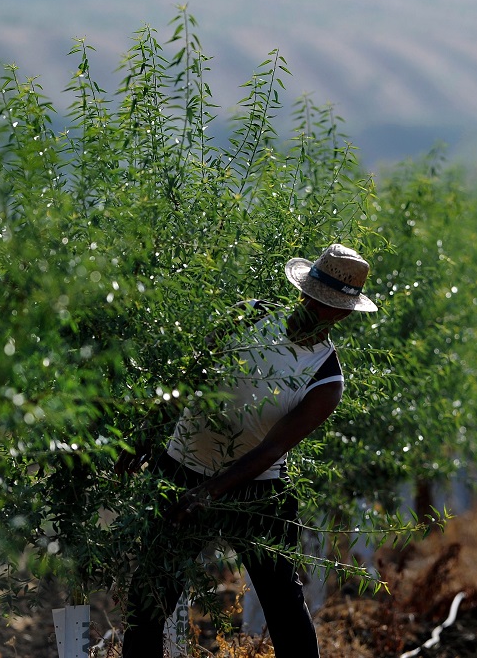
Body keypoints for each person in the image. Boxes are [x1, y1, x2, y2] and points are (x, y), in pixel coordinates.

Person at [121, 243, 378, 658]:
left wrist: (210, 492)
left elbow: (273, 447)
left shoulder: (326, 379)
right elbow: (189, 377)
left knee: (284, 608)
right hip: (182, 467)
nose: (315, 307)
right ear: (302, 290)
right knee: (149, 599)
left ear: (344, 314)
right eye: (313, 296)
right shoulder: (250, 314)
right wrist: (148, 434)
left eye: (328, 304)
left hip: (257, 491)